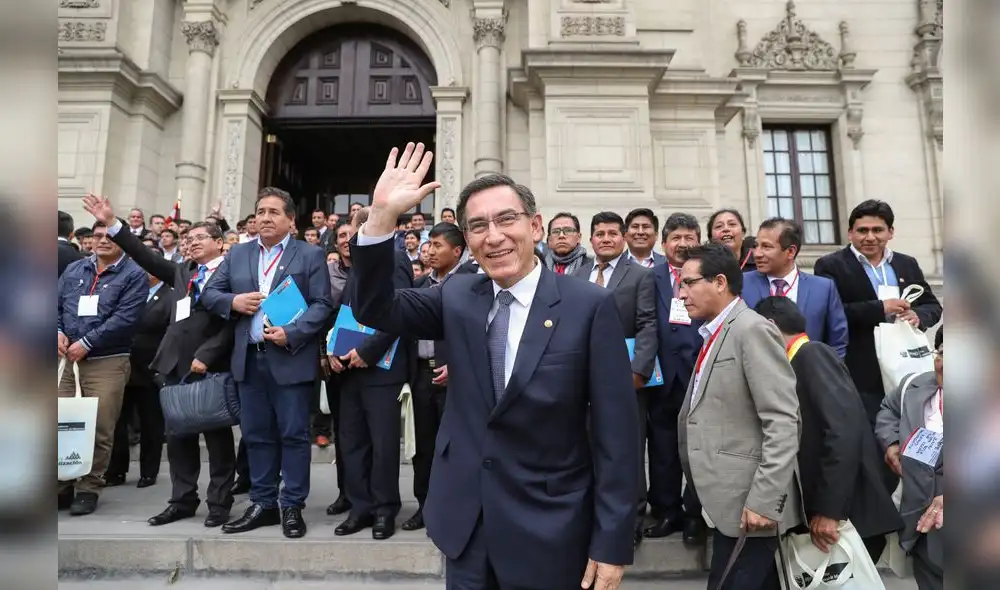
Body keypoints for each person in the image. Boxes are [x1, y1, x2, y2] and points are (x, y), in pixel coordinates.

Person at [348, 143, 639, 590]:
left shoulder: (589, 307)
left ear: (535, 225)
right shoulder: (459, 296)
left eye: (506, 220)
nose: (494, 236)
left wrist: (612, 541)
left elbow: (616, 435)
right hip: (466, 524)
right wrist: (382, 218)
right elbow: (375, 308)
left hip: (550, 526)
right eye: (478, 226)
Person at [83, 194, 240, 527]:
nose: (192, 243)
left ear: (218, 243)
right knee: (179, 439)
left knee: (217, 441)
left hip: (211, 367)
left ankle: (219, 503)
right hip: (174, 367)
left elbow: (233, 323)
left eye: (199, 238)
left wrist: (207, 356)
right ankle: (182, 500)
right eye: (188, 239)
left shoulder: (234, 272)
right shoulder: (183, 272)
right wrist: (113, 224)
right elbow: (143, 256)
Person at [200, 187, 333, 538]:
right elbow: (209, 293)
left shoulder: (310, 255)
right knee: (257, 436)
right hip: (249, 360)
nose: (265, 218)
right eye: (260, 211)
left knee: (293, 435)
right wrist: (233, 301)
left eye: (274, 212)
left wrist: (293, 331)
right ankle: (263, 503)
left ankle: (291, 504)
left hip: (290, 358)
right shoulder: (239, 254)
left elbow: (322, 304)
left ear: (291, 220)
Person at [676, 243, 800, 590]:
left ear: (719, 282)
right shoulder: (713, 333)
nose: (681, 294)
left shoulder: (752, 330)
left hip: (751, 505)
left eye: (688, 283)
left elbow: (783, 420)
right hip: (727, 504)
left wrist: (764, 500)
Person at [754, 296, 902, 563]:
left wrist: (830, 510)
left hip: (845, 515)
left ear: (770, 325)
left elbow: (841, 433)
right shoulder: (794, 361)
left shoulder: (812, 354)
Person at [814, 200, 942, 423]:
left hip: (907, 364)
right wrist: (880, 309)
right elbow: (830, 313)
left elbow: (932, 305)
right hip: (860, 370)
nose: (870, 237)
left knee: (911, 425)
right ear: (850, 233)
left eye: (878, 230)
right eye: (862, 230)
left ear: (891, 232)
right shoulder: (830, 265)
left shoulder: (906, 263)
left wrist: (918, 316)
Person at [57, 221, 148, 515]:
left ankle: (89, 486)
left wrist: (87, 341)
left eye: (109, 236)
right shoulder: (75, 269)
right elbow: (55, 305)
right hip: (66, 360)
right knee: (61, 424)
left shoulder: (134, 275)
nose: (103, 240)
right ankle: (61, 484)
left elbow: (126, 319)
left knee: (98, 427)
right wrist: (57, 330)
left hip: (107, 360)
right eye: (97, 236)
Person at [644, 213, 705, 543]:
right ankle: (667, 511)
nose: (683, 243)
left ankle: (696, 513)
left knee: (698, 447)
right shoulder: (649, 277)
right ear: (664, 243)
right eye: (676, 238)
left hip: (701, 372)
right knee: (663, 447)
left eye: (689, 237)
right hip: (662, 375)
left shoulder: (710, 275)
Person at [875, 328, 944, 590]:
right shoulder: (912, 386)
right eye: (942, 353)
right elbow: (888, 409)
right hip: (920, 525)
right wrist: (891, 443)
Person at [741, 218, 848, 358]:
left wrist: (825, 376)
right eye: (756, 246)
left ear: (790, 251)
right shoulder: (741, 284)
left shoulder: (823, 288)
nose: (757, 253)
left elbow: (838, 342)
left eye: (766, 247)